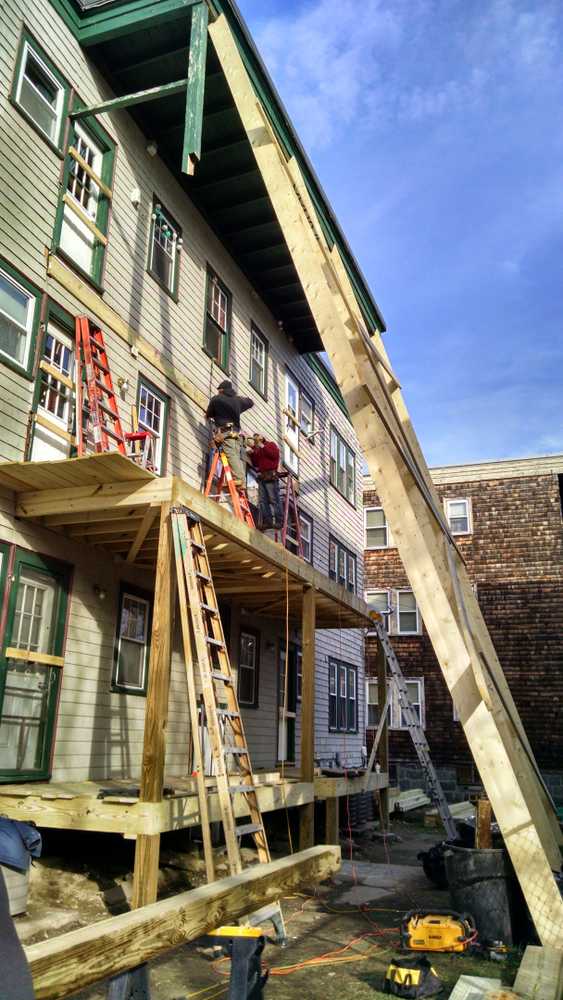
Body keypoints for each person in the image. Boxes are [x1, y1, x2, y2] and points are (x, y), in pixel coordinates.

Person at [206, 380, 254, 486]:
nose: (218, 392)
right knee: (235, 457)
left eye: (219, 390)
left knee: (231, 456)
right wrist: (236, 401)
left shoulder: (216, 399)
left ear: (221, 390)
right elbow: (250, 402)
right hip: (236, 435)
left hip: (225, 433)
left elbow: (209, 414)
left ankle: (240, 480)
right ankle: (241, 480)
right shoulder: (237, 400)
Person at [248, 434, 284, 529]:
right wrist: (252, 453)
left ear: (262, 438)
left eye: (257, 439)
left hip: (270, 475)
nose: (256, 442)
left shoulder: (270, 445)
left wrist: (262, 446)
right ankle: (268, 521)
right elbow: (256, 463)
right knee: (262, 501)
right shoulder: (258, 450)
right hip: (262, 477)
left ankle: (279, 521)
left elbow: (274, 455)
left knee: (274, 499)